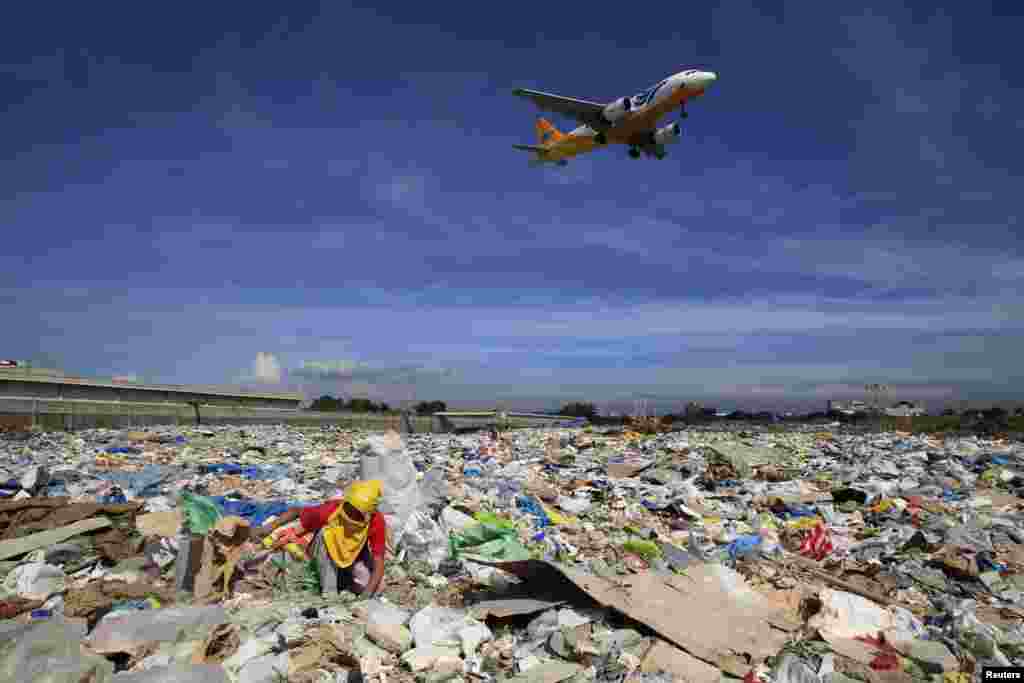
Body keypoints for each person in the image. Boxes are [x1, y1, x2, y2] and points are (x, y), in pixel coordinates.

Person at [256, 479, 386, 596]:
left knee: (375, 588)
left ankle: (346, 580)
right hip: (326, 552)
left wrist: (367, 592)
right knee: (326, 533)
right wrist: (268, 527)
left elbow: (378, 558)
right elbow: (296, 511)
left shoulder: (375, 521)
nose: (352, 514)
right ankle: (329, 591)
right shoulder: (332, 509)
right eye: (350, 509)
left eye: (358, 513)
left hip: (352, 555)